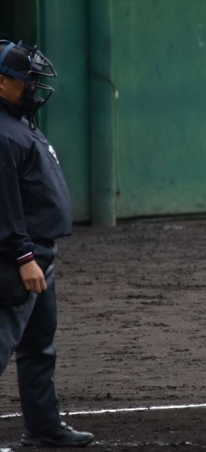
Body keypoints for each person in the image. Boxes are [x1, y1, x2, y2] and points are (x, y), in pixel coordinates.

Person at [0, 40, 94, 446]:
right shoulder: (2, 133)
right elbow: (4, 206)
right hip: (14, 259)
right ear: (1, 82)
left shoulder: (17, 123)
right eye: (28, 79)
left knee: (39, 348)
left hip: (38, 255)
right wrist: (23, 256)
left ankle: (44, 430)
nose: (35, 87)